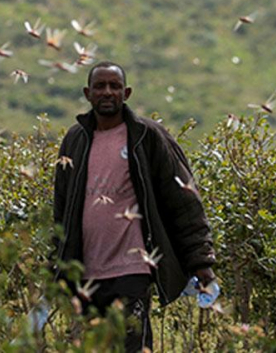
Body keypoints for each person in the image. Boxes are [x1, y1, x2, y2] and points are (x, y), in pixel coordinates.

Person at [52, 61, 216, 351]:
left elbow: (183, 199)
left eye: (114, 86)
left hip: (132, 269)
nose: (107, 92)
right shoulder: (74, 141)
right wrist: (59, 263)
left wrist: (201, 261)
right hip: (86, 272)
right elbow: (62, 208)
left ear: (126, 93)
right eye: (100, 86)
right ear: (87, 93)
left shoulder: (146, 136)